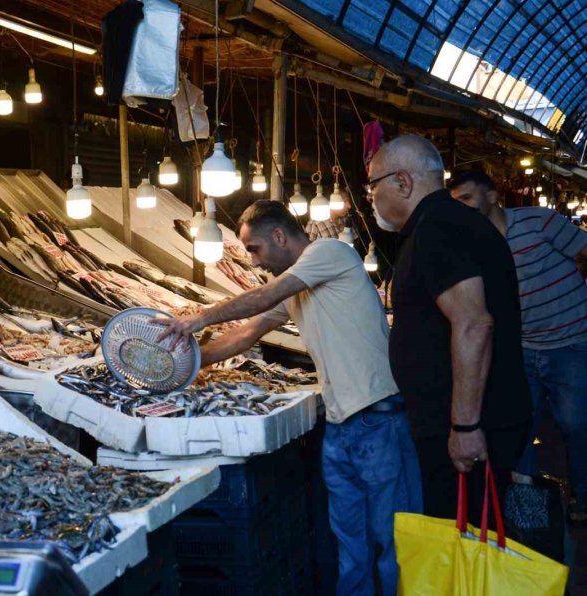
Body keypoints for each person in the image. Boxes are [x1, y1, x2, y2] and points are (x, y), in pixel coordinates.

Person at [155, 200, 421, 596]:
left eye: (255, 249)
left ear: (280, 236)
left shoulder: (328, 254)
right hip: (340, 426)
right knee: (350, 543)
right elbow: (249, 331)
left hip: (378, 419)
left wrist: (200, 318)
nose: (254, 262)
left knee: (394, 538)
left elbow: (263, 297)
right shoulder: (297, 284)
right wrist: (189, 362)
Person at [368, 135, 531, 522]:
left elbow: (474, 323)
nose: (370, 197)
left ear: (403, 182)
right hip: (471, 420)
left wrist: (465, 425)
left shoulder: (437, 229)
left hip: (471, 428)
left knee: (470, 545)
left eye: (373, 185)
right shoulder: (452, 223)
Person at [449, 170, 587, 522]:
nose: (461, 207)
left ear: (492, 196)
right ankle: (528, 511)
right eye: (456, 202)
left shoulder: (539, 222)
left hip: (570, 343)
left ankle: (582, 498)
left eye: (466, 197)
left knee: (575, 425)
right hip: (522, 350)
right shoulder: (473, 245)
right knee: (520, 427)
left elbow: (584, 252)